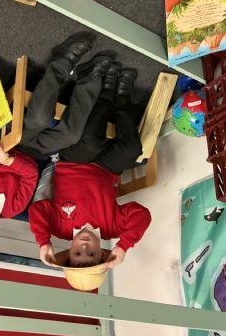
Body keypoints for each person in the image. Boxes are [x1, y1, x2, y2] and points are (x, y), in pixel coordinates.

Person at [0, 31, 116, 250]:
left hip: (11, 140)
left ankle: (61, 61)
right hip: (34, 153)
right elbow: (31, 174)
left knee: (39, 118)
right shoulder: (13, 208)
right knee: (71, 135)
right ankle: (89, 78)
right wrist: (7, 161)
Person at [28, 58, 152, 290]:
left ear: (69, 251)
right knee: (132, 150)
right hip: (106, 169)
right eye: (91, 253)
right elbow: (141, 214)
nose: (84, 246)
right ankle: (123, 98)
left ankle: (107, 91)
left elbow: (37, 211)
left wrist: (43, 242)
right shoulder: (112, 229)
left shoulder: (60, 229)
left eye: (77, 252)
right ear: (102, 253)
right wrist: (124, 245)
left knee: (91, 142)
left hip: (72, 162)